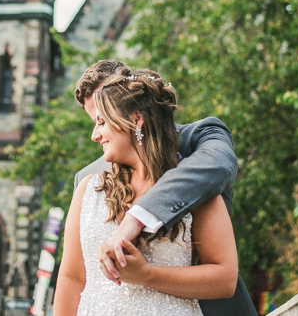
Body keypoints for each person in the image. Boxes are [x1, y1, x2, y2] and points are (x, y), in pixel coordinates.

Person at [60, 60, 258, 316]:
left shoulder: (198, 166)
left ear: (134, 115)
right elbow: (72, 278)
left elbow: (223, 274)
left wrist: (144, 261)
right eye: (94, 119)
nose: (94, 135)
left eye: (102, 118)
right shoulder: (89, 185)